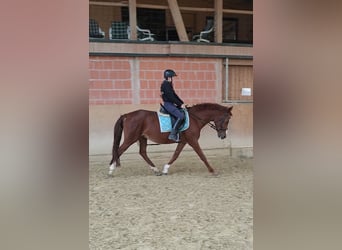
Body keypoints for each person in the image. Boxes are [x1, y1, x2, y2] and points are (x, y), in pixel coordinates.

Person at [160, 69, 186, 142]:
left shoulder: (168, 84)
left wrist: (182, 103)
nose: (172, 79)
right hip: (168, 104)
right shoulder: (165, 84)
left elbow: (174, 95)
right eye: (172, 77)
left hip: (171, 103)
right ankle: (173, 134)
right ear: (168, 77)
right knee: (181, 116)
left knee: (182, 112)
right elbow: (171, 97)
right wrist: (180, 104)